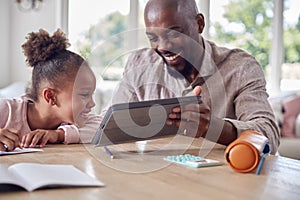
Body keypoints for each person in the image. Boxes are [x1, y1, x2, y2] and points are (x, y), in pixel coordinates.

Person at [106, 0, 280, 154]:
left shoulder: (241, 67)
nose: (163, 47)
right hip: (163, 179)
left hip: (226, 181)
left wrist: (212, 127)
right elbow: (107, 126)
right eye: (153, 38)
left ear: (199, 23)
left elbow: (269, 136)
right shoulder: (138, 65)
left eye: (173, 34)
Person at [0, 29, 100, 151]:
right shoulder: (6, 110)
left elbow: (103, 128)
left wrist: (59, 135)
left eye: (91, 94)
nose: (92, 103)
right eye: (84, 94)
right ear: (51, 97)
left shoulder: (76, 120)